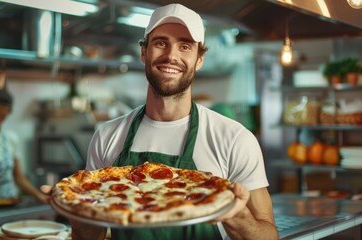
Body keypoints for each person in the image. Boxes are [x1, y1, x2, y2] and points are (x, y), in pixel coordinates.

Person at [44, 3, 278, 239]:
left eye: (185, 46)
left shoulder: (235, 139)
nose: (171, 56)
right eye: (160, 43)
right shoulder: (107, 135)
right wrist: (76, 210)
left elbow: (268, 234)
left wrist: (234, 214)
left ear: (199, 58)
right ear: (144, 52)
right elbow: (90, 236)